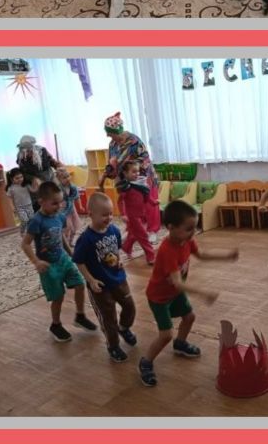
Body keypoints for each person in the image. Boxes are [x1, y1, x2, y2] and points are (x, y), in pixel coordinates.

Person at [138, 200, 238, 387]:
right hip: (159, 298)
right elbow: (177, 282)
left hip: (174, 293)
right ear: (171, 228)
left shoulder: (187, 240)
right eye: (189, 228)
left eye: (194, 227)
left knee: (189, 317)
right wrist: (203, 292)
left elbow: (201, 255)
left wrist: (226, 256)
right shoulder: (167, 250)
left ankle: (180, 344)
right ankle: (146, 362)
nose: (193, 232)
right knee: (165, 335)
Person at [21, 180, 97, 343]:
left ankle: (80, 316)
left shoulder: (59, 217)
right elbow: (25, 244)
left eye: (60, 202)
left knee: (80, 284)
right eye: (54, 203)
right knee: (58, 297)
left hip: (63, 259)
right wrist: (36, 261)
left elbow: (60, 236)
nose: (59, 206)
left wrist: (71, 253)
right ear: (41, 202)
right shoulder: (36, 221)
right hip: (48, 266)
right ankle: (56, 325)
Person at [72, 191, 139, 363]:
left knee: (130, 307)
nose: (109, 218)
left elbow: (116, 249)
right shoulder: (86, 239)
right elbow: (79, 261)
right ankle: (113, 346)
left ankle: (124, 328)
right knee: (109, 318)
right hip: (100, 287)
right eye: (104, 215)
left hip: (118, 279)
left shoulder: (114, 230)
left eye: (110, 213)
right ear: (91, 214)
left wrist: (119, 259)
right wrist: (91, 280)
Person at [101, 112, 161, 235]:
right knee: (131, 206)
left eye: (110, 133)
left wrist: (129, 168)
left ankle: (153, 231)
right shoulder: (112, 144)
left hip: (143, 178)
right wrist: (108, 172)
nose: (107, 135)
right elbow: (112, 163)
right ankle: (134, 229)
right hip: (126, 181)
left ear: (117, 131)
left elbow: (145, 158)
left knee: (149, 204)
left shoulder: (134, 141)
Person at [117, 159, 156, 265]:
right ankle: (151, 256)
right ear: (125, 173)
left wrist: (153, 202)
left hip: (141, 214)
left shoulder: (141, 185)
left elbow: (147, 196)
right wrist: (123, 214)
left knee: (134, 234)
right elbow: (120, 202)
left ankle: (126, 247)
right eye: (133, 172)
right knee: (143, 235)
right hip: (132, 217)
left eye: (138, 171)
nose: (137, 174)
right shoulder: (126, 187)